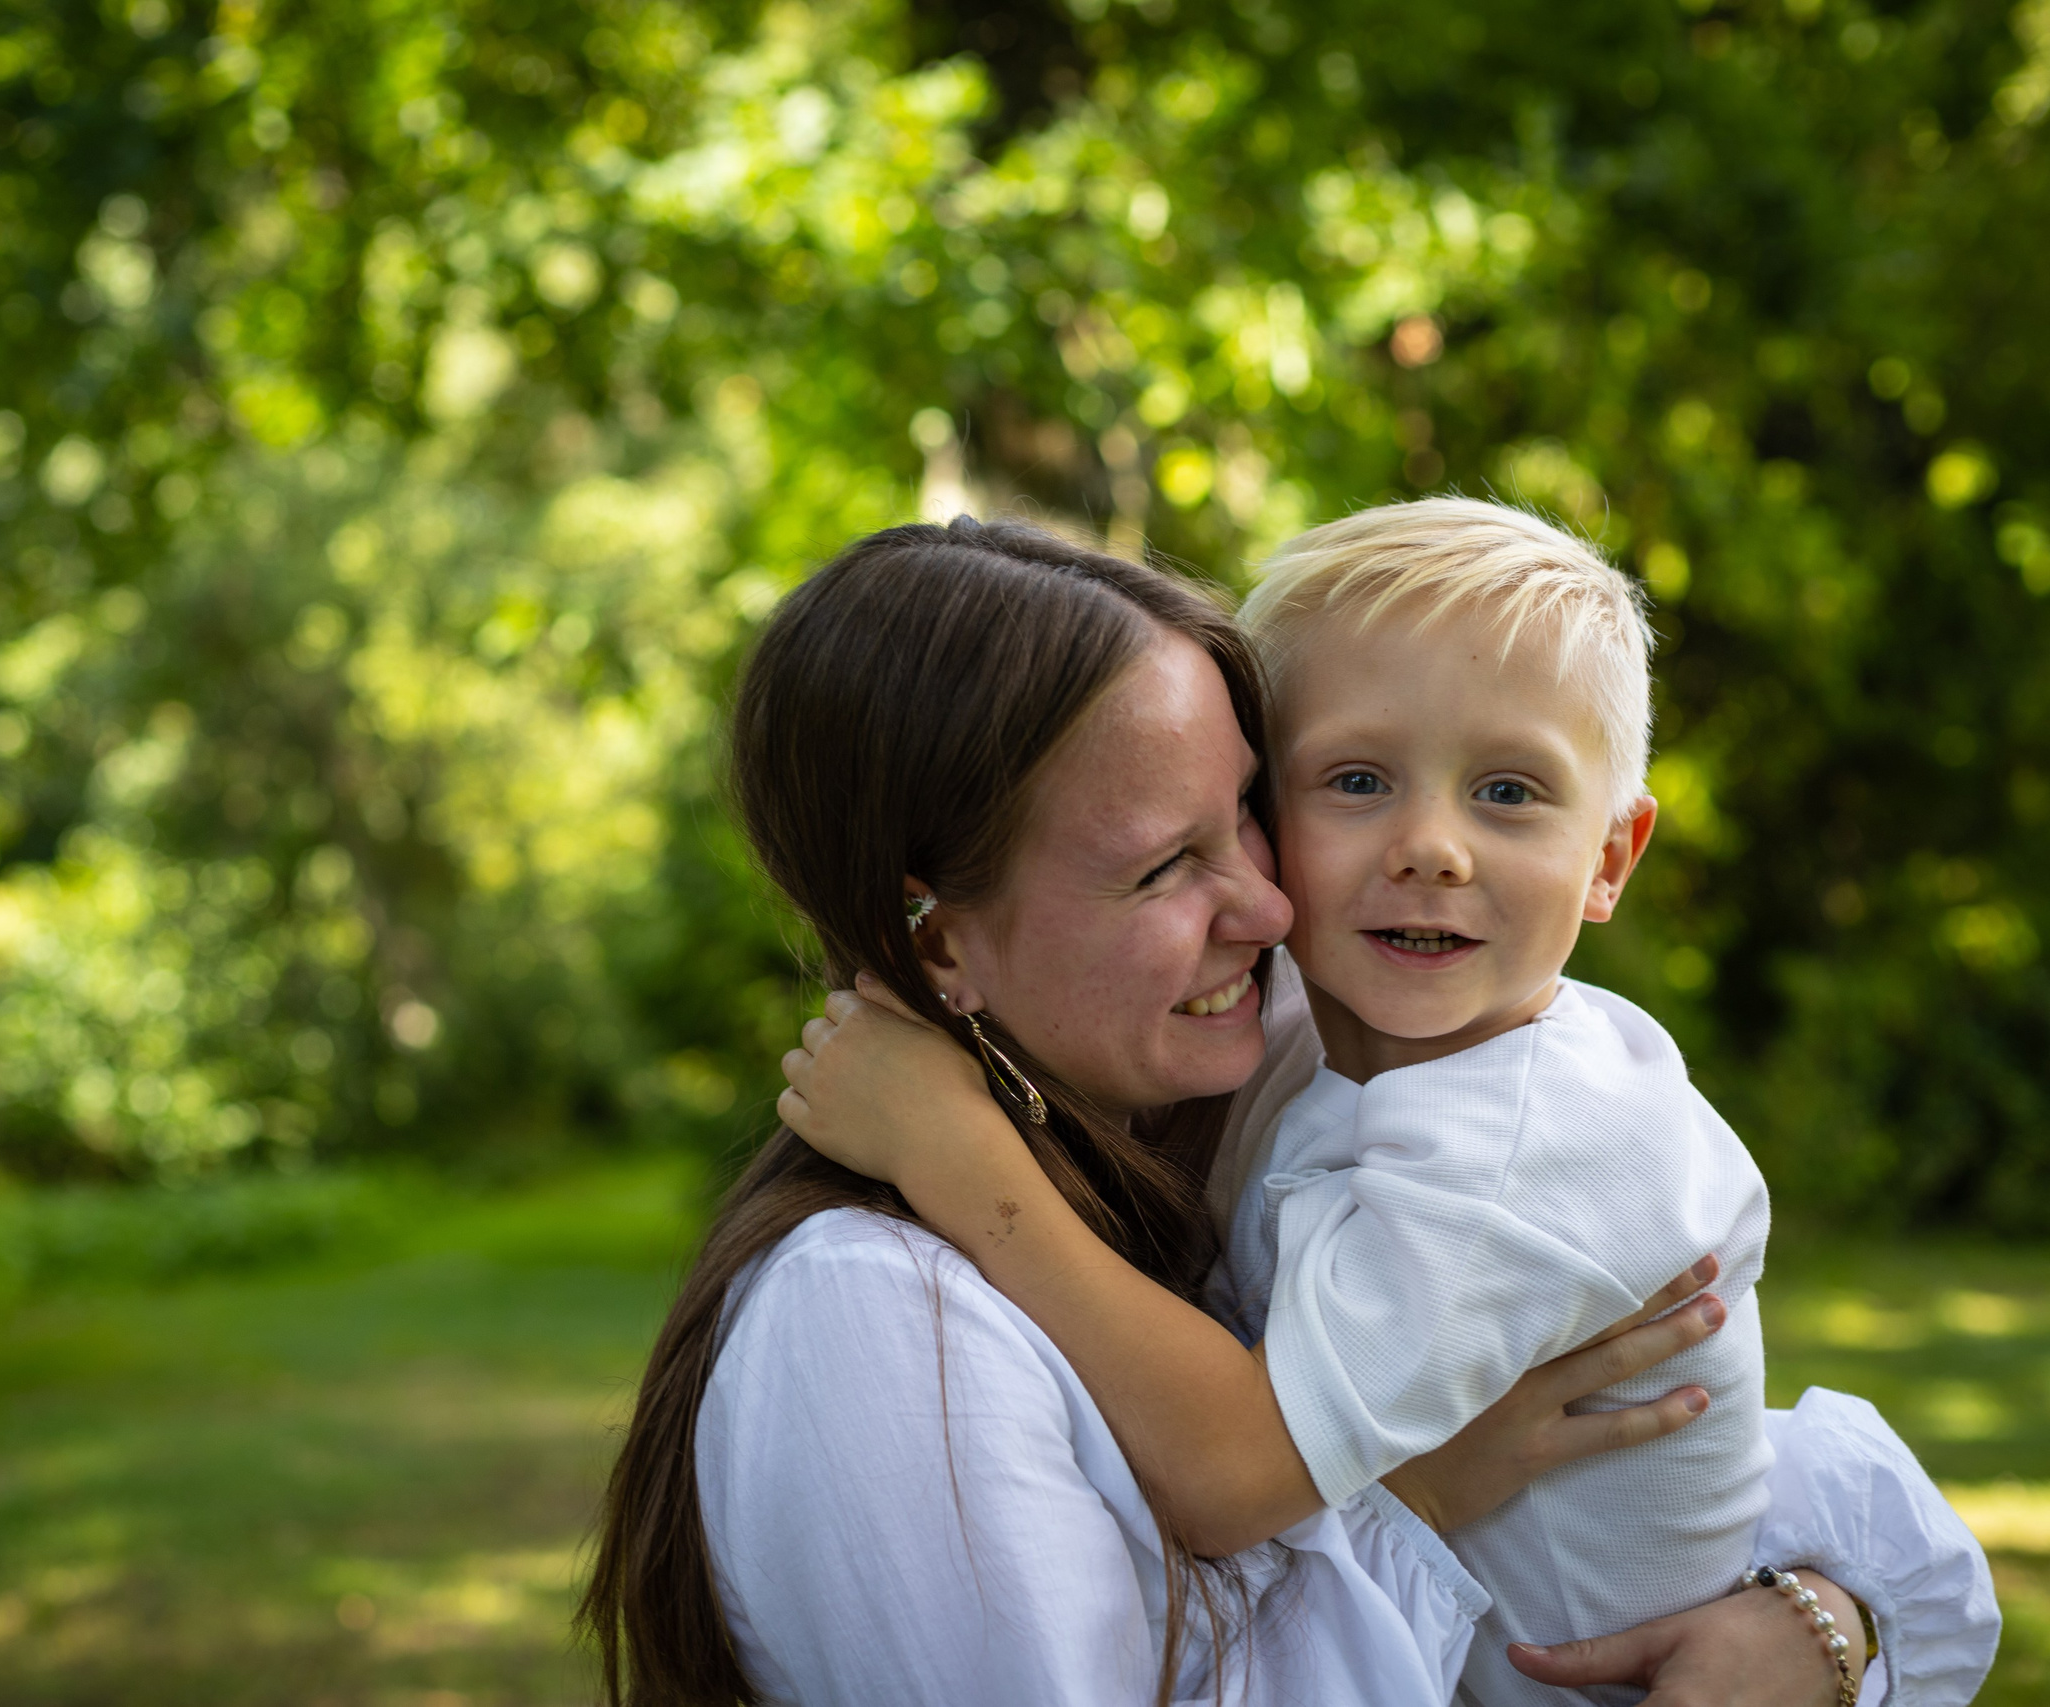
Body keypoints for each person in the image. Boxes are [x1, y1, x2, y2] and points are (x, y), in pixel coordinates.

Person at [583, 518, 1996, 1706]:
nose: (1268, 905)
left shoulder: (1396, 1107)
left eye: (1247, 818)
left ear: (1610, 851)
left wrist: (1826, 1618)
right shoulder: (879, 1312)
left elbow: (1735, 1456)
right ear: (936, 937)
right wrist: (1417, 1500)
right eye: (1165, 866)